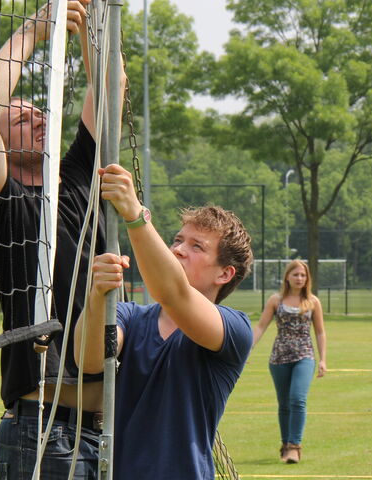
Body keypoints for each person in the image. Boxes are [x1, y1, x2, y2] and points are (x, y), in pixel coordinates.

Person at [0, 1, 116, 477]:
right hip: (41, 431)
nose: (37, 117)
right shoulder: (0, 202)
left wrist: (93, 22)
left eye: (38, 112)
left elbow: (109, 87)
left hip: (109, 423)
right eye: (21, 117)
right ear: (1, 144)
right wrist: (36, 29)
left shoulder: (76, 180)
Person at [75, 164, 254, 479]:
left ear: (224, 274)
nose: (178, 250)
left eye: (196, 246)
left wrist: (135, 214)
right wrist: (97, 294)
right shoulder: (130, 316)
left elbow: (174, 293)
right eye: (178, 239)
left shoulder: (235, 328)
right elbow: (88, 361)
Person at [252, 259, 327, 463]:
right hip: (279, 357)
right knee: (284, 404)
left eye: (303, 275)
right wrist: (247, 348)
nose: (300, 278)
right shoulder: (276, 300)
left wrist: (323, 360)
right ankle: (285, 446)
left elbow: (320, 332)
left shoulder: (313, 301)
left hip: (304, 355)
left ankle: (295, 446)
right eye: (296, 275)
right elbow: (260, 327)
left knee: (297, 399)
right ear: (287, 277)